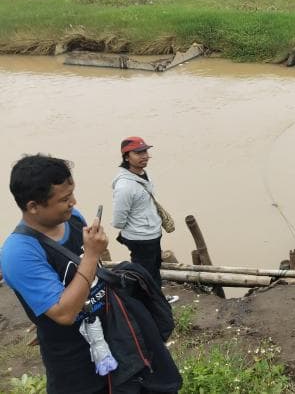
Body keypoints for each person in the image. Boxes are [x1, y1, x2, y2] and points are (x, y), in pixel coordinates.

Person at [1, 154, 182, 393]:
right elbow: (64, 313)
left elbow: (94, 274)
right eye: (64, 199)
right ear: (33, 206)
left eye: (72, 194)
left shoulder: (73, 219)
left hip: (113, 334)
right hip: (73, 357)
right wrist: (91, 254)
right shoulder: (19, 253)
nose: (73, 202)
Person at [111, 136, 177, 303]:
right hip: (140, 238)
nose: (144, 156)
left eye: (145, 151)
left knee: (153, 269)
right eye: (138, 153)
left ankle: (156, 300)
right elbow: (118, 220)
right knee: (143, 274)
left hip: (152, 233)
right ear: (127, 157)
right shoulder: (124, 186)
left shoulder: (142, 175)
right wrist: (138, 226)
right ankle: (144, 304)